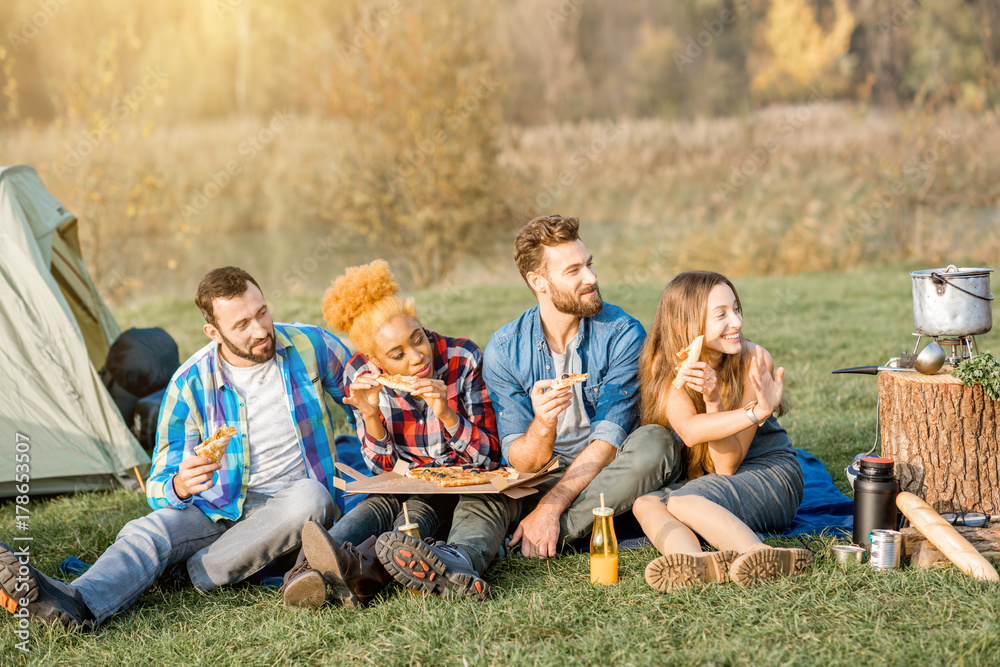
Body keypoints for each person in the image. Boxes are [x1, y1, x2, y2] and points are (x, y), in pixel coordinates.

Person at [0, 267, 352, 629]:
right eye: (242, 324)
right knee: (149, 531)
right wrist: (180, 485)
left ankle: (193, 570)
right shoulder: (189, 382)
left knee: (312, 497)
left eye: (262, 312)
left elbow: (371, 395)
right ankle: (76, 601)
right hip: (218, 508)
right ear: (213, 333)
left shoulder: (311, 346)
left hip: (289, 507)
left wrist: (373, 411)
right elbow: (158, 483)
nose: (261, 330)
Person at [373, 215, 680, 597]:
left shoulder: (622, 334)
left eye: (589, 263)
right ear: (539, 282)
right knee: (490, 485)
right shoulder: (505, 348)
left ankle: (525, 538)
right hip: (539, 476)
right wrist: (543, 425)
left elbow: (609, 440)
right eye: (574, 270)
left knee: (657, 443)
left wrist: (550, 509)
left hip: (606, 471)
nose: (591, 277)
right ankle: (459, 562)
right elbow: (521, 462)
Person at [282, 260, 501, 609]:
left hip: (457, 484)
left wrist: (446, 414)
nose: (417, 357)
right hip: (404, 483)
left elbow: (490, 457)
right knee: (374, 508)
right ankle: (308, 571)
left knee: (412, 514)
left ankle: (358, 575)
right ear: (375, 358)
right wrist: (370, 415)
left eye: (419, 338)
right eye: (397, 354)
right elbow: (382, 467)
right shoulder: (360, 372)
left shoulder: (461, 357)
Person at [632, 270, 811, 592]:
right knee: (644, 504)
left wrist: (750, 410)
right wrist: (712, 398)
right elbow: (689, 431)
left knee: (683, 502)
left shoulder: (753, 360)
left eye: (736, 309)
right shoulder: (664, 363)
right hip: (709, 479)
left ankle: (762, 554)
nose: (737, 322)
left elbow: (727, 466)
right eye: (721, 315)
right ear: (682, 325)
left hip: (769, 474)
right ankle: (694, 563)